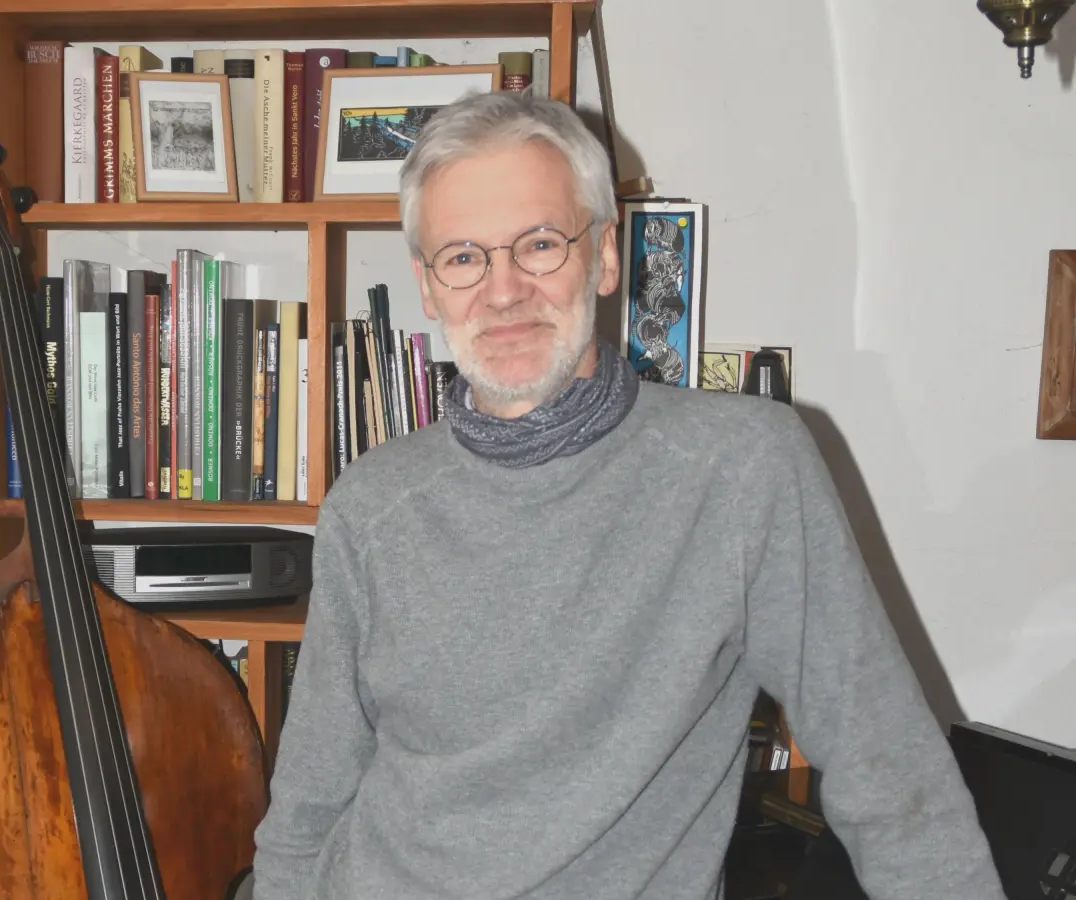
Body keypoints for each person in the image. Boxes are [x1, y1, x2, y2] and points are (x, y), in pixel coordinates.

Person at [248, 88, 1005, 900]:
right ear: (429, 288)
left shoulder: (741, 470)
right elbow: (307, 810)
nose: (502, 291)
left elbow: (890, 773)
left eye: (539, 244)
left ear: (605, 255)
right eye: (463, 256)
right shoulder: (371, 505)